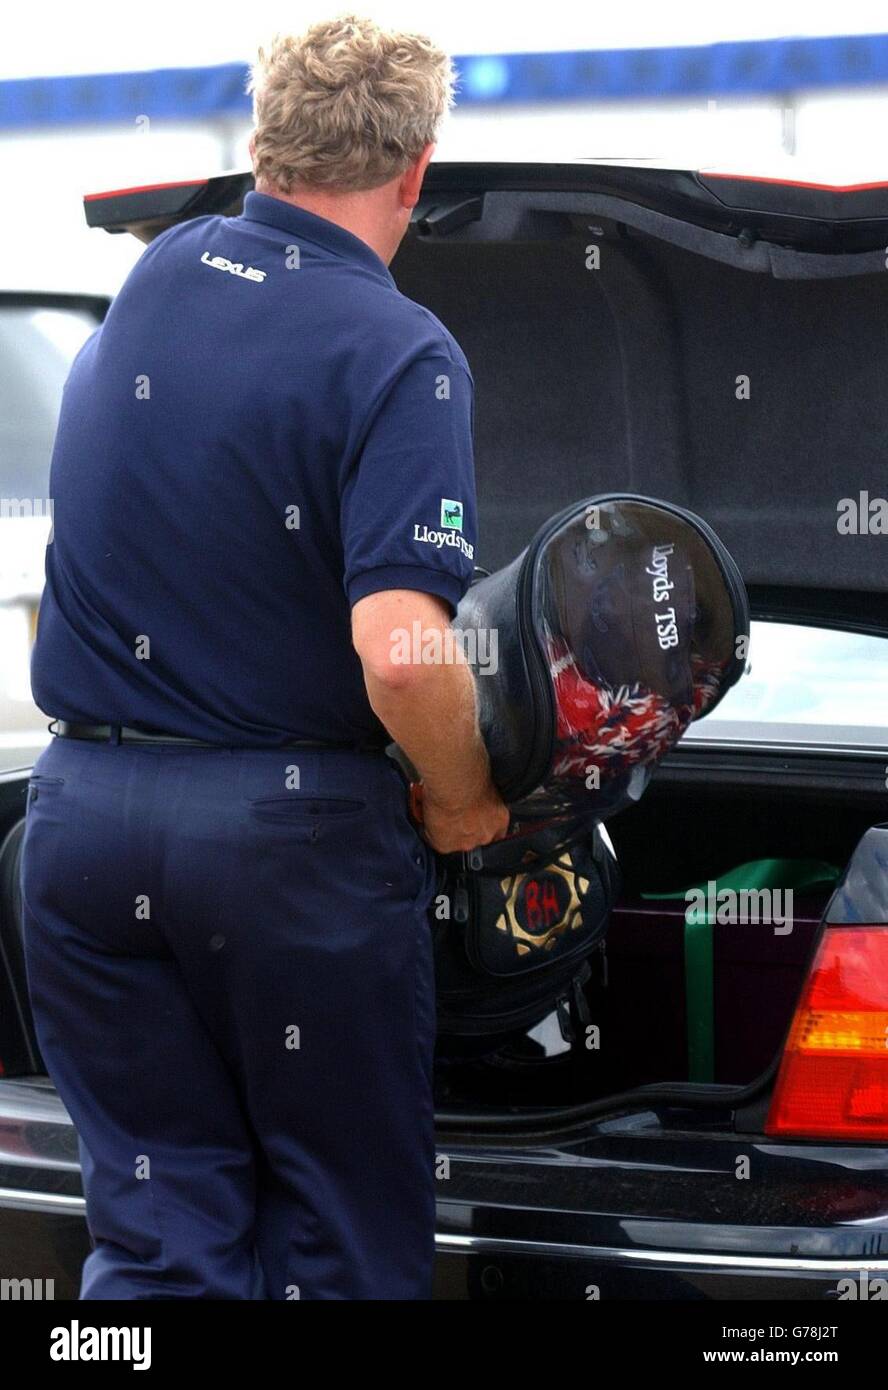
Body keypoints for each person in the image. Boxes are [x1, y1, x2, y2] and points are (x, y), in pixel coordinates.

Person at [20, 13, 509, 1301]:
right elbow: (403, 652)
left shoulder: (161, 274)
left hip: (80, 830)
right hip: (284, 851)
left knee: (157, 1243)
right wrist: (465, 802)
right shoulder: (403, 351)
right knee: (337, 1248)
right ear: (417, 171)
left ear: (258, 145)